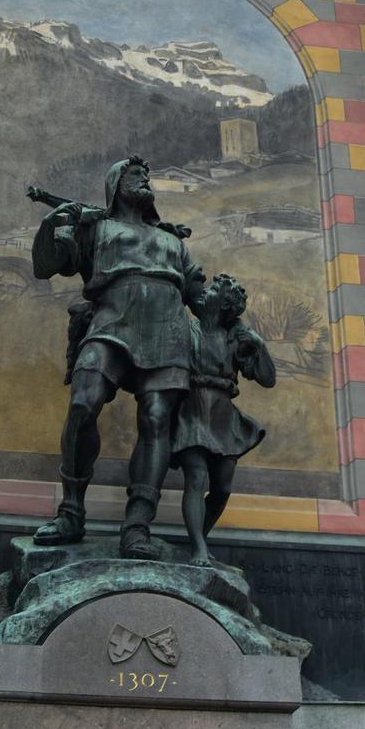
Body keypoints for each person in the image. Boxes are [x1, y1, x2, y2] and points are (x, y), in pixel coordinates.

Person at [30, 155, 205, 557]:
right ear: (115, 183)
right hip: (111, 320)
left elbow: (198, 297)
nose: (145, 179)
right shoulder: (96, 228)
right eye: (135, 174)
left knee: (157, 419)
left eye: (147, 176)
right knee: (82, 404)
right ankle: (71, 511)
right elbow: (45, 267)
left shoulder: (172, 241)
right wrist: (53, 224)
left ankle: (137, 527)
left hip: (167, 330)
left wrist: (230, 331)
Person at [171, 273, 276, 564]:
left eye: (215, 289)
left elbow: (267, 379)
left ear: (225, 304)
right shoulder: (185, 329)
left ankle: (199, 540)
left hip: (223, 415)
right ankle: (199, 549)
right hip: (192, 409)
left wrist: (259, 345)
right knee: (196, 477)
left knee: (223, 488)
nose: (206, 292)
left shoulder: (236, 338)